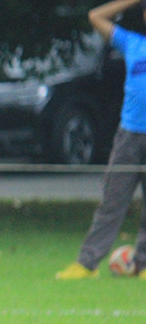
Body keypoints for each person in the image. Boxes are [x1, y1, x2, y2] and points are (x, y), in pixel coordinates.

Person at [57, 0, 146, 280]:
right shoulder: (132, 43)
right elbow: (95, 16)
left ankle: (143, 263)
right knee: (112, 199)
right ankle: (87, 263)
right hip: (129, 134)